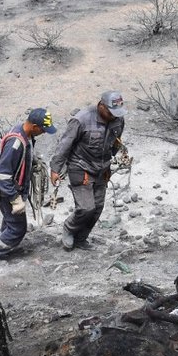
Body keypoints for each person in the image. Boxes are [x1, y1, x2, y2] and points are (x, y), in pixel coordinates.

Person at [50, 90, 126, 251]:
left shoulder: (118, 120)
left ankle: (81, 238)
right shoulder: (81, 120)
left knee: (97, 208)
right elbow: (64, 145)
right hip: (80, 166)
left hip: (102, 168)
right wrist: (55, 168)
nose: (114, 116)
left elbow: (116, 142)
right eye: (111, 112)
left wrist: (112, 158)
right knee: (86, 207)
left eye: (116, 113)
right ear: (101, 106)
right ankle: (69, 228)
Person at [0, 108, 57, 257]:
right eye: (43, 130)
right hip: (7, 191)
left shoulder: (23, 133)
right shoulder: (16, 143)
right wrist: (14, 199)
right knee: (17, 229)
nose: (43, 133)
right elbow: (2, 175)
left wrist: (34, 161)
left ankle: (0, 244)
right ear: (35, 126)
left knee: (10, 221)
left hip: (11, 189)